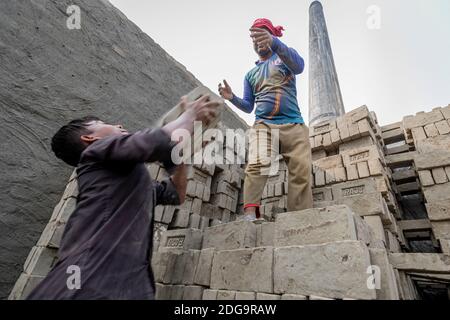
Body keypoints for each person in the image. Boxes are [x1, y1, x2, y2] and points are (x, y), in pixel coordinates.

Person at [27, 95, 220, 299]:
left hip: (124, 284)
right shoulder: (95, 152)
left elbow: (175, 194)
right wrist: (189, 116)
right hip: (87, 278)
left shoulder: (126, 183)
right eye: (101, 124)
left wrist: (183, 156)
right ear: (90, 139)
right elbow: (151, 142)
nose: (118, 124)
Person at [219, 18, 313, 220]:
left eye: (262, 35)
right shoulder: (250, 74)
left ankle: (300, 217)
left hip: (294, 123)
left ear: (271, 36)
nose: (257, 41)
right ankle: (251, 213)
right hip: (264, 125)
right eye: (254, 37)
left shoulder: (284, 56)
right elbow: (248, 106)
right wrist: (232, 98)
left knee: (301, 171)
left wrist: (276, 43)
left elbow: (300, 66)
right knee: (257, 162)